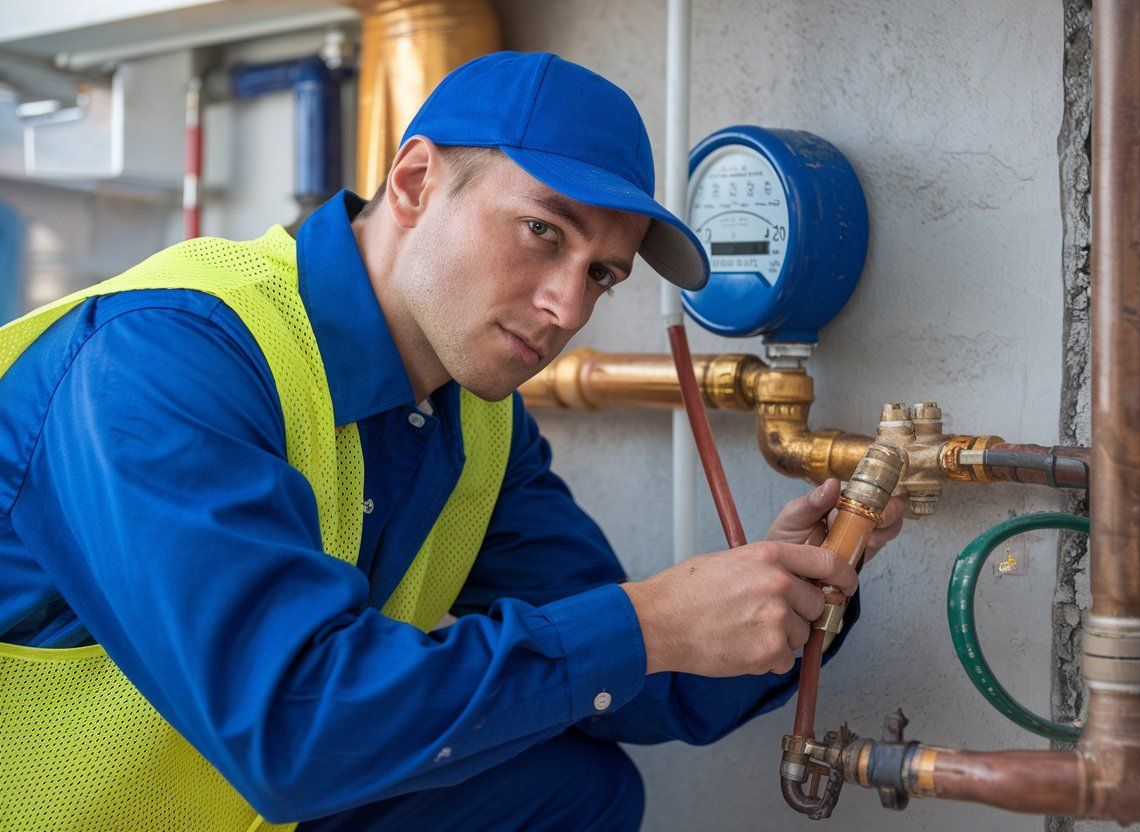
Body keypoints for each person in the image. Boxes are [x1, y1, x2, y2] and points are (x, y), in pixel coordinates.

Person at [0, 51, 902, 831]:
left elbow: (623, 668)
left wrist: (792, 586)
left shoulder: (475, 420)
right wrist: (649, 621)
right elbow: (289, 727)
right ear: (414, 183)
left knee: (570, 789)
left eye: (601, 275)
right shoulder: (163, 360)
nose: (567, 307)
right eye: (542, 231)